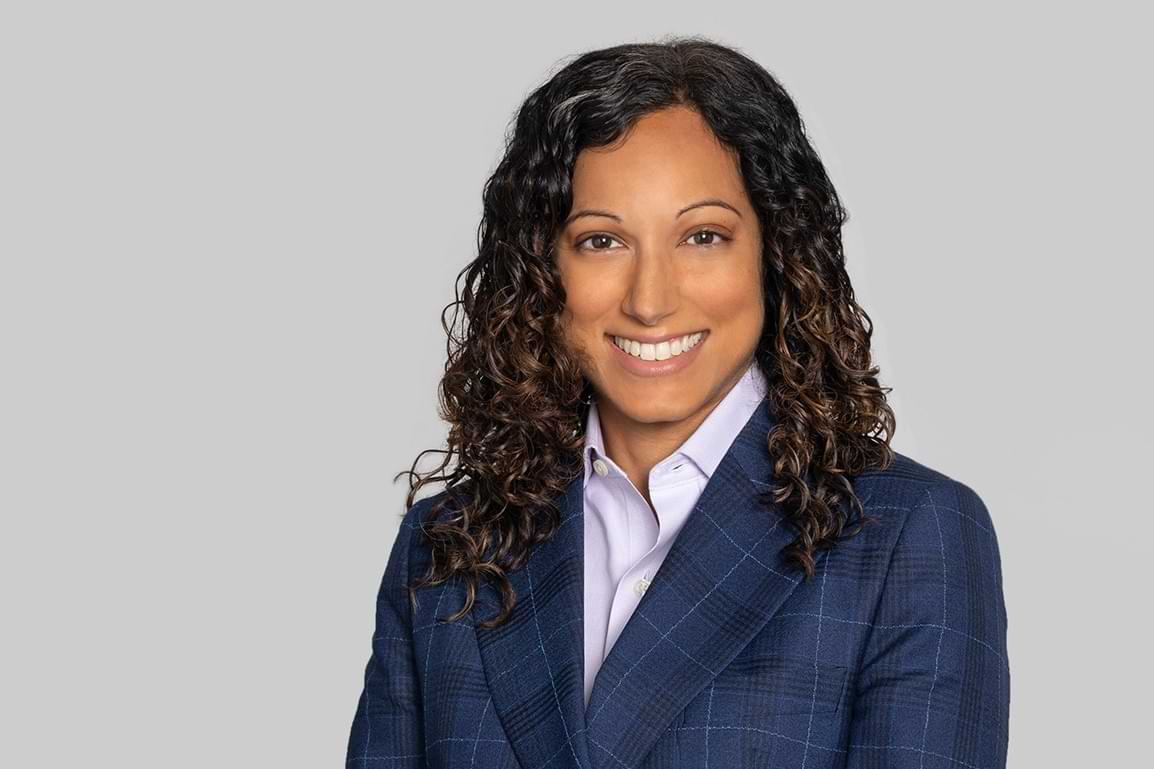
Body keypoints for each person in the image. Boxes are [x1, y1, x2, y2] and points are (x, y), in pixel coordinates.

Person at [346, 36, 1009, 769]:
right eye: (601, 241)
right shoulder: (448, 545)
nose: (650, 300)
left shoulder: (906, 536)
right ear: (542, 269)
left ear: (775, 254)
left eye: (702, 236)